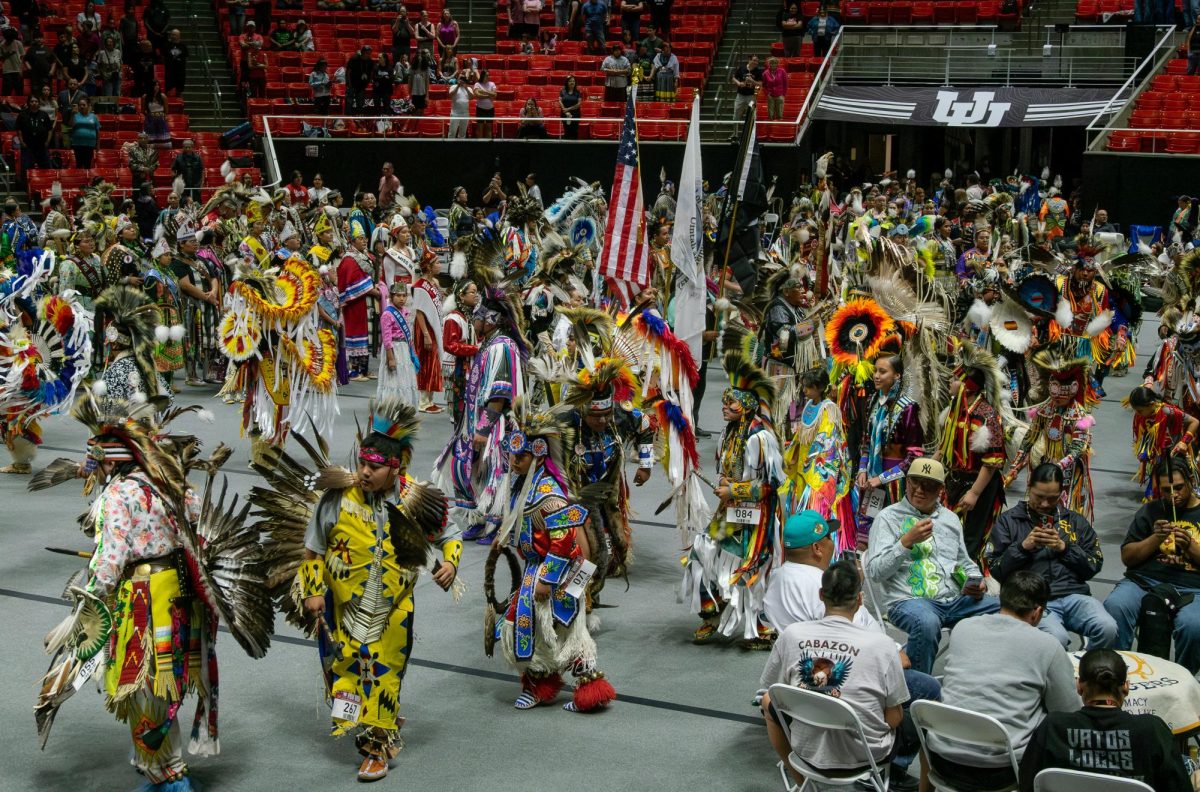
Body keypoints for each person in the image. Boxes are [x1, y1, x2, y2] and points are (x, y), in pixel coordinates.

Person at [299, 399, 461, 782]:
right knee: (347, 673)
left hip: (395, 609)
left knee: (385, 673)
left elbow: (449, 534)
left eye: (374, 467)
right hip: (344, 609)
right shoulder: (338, 498)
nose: (364, 473)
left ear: (395, 467)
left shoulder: (415, 498)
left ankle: (376, 746)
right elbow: (313, 548)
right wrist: (312, 590)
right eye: (362, 464)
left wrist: (451, 563)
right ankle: (374, 720)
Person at [492, 416, 617, 713]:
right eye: (512, 455)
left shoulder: (548, 493)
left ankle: (590, 691)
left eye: (521, 457)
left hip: (562, 569)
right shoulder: (523, 485)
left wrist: (547, 579)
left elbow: (562, 539)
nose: (514, 462)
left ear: (537, 455)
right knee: (533, 623)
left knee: (566, 627)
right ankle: (541, 684)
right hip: (540, 567)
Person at [760, 560, 915, 787]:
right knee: (917, 712)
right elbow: (894, 719)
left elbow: (772, 690)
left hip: (806, 751)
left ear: (821, 595)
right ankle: (895, 779)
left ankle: (801, 781)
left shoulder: (792, 635)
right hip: (866, 757)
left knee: (767, 701)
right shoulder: (883, 645)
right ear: (860, 599)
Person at [923, 572, 1082, 791]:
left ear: (1001, 600)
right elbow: (1068, 713)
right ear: (1037, 613)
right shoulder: (1048, 645)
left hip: (942, 760)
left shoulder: (963, 628)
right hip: (1000, 771)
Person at [683, 346, 783, 648]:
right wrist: (725, 483)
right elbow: (728, 469)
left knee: (751, 567)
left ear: (746, 405)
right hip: (731, 513)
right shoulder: (728, 433)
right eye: (725, 402)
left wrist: (734, 489)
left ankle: (762, 627)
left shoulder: (761, 438)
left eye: (731, 403)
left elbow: (772, 484)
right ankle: (711, 615)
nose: (724, 407)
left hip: (758, 519)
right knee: (702, 552)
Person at [863, 458, 999, 675]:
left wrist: (975, 581)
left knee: (1006, 609)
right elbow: (875, 572)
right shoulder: (887, 518)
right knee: (926, 622)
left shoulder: (950, 519)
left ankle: (985, 679)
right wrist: (905, 543)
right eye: (915, 482)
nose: (919, 490)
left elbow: (963, 562)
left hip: (953, 599)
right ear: (906, 482)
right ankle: (916, 693)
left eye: (929, 486)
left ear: (940, 490)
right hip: (908, 601)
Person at [1018, 648, 1193, 792]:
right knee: (1190, 765)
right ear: (1126, 687)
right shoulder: (1152, 729)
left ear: (1079, 686)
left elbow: (1027, 783)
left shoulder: (1053, 727)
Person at [433, 285, 527, 545]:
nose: (473, 321)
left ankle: (496, 525)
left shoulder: (501, 347)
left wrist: (484, 429)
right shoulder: (489, 344)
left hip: (495, 425)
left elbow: (500, 392)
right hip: (475, 419)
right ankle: (477, 519)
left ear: (491, 319)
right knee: (465, 467)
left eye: (477, 316)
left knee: (493, 472)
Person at [987, 463, 1116, 649]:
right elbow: (996, 570)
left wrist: (1065, 548)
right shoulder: (1008, 522)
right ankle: (1056, 675)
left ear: (1061, 493)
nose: (1045, 504)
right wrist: (1023, 548)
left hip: (1074, 596)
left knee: (1108, 627)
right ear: (1029, 487)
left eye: (1052, 499)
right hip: (1032, 601)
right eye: (1039, 497)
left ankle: (1086, 671)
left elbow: (1093, 566)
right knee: (1056, 638)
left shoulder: (1075, 522)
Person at [1104, 458, 1200, 674]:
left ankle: (1183, 679)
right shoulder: (1151, 511)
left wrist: (1191, 547)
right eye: (1166, 490)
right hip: (1143, 582)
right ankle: (1117, 677)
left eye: (1179, 488)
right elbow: (1127, 558)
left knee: (1194, 627)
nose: (1173, 495)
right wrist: (1155, 538)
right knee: (1116, 606)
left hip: (1193, 588)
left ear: (1191, 481)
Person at [1128, 385, 1199, 498]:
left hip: (1175, 456)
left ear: (1151, 404)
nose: (1137, 413)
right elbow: (1146, 437)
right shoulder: (1143, 415)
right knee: (1156, 492)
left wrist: (1184, 442)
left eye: (1140, 410)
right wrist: (1143, 458)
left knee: (1175, 489)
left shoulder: (1167, 411)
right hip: (1159, 459)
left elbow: (1194, 421)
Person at [441, 278, 479, 425]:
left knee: (466, 404)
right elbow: (450, 345)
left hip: (465, 364)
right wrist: (475, 349)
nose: (476, 295)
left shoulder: (467, 317)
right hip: (456, 367)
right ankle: (458, 439)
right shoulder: (453, 318)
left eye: (477, 292)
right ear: (461, 296)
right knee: (458, 406)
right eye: (472, 292)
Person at [377, 282, 419, 406]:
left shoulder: (405, 312)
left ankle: (404, 405)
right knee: (394, 379)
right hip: (394, 349)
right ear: (391, 296)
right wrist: (390, 359)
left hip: (404, 349)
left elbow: (408, 334)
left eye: (404, 296)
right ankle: (392, 405)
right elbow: (386, 339)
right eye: (398, 296)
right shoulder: (387, 314)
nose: (402, 299)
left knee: (404, 377)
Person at [16, 95, 52, 171]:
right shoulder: (23, 114)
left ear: (39, 103)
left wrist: (47, 141)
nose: (34, 103)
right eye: (32, 101)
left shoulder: (44, 115)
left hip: (41, 146)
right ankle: (25, 183)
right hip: (28, 146)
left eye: (36, 101)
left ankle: (44, 182)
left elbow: (49, 129)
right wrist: (22, 142)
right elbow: (19, 130)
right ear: (28, 103)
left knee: (46, 168)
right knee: (26, 168)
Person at [67, 96, 100, 169]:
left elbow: (97, 131)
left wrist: (98, 145)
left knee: (87, 164)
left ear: (88, 106)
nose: (81, 107)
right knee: (79, 164)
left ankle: (86, 179)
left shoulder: (93, 116)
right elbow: (70, 125)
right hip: (78, 144)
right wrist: (72, 114)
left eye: (84, 105)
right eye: (80, 105)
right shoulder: (75, 116)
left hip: (90, 145)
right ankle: (79, 179)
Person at [731, 54, 762, 120]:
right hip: (740, 96)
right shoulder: (741, 68)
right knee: (737, 113)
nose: (756, 62)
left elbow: (760, 84)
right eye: (754, 60)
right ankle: (735, 129)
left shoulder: (758, 71)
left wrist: (752, 81)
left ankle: (750, 130)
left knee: (752, 114)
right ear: (749, 60)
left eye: (757, 61)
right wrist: (739, 83)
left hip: (752, 97)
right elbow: (733, 78)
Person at [448, 66, 472, 138]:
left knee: (462, 134)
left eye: (463, 78)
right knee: (452, 133)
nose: (461, 80)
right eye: (460, 78)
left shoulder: (468, 88)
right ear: (457, 79)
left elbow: (471, 97)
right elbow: (450, 95)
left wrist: (466, 87)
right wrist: (458, 86)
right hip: (455, 113)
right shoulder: (453, 87)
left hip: (465, 114)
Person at [473, 68, 497, 139]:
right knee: (480, 128)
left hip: (490, 109)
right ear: (482, 76)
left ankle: (488, 146)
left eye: (488, 75)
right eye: (487, 75)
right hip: (480, 109)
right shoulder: (477, 84)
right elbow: (477, 95)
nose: (488, 77)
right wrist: (489, 95)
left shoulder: (492, 84)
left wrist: (484, 91)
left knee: (489, 128)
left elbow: (495, 95)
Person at [761, 56, 788, 121]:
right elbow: (763, 85)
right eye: (771, 63)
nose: (773, 64)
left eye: (775, 63)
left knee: (779, 115)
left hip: (780, 95)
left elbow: (785, 84)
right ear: (769, 64)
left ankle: (779, 127)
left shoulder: (782, 71)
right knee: (771, 114)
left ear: (777, 64)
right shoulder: (765, 73)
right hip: (770, 96)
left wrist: (783, 94)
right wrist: (767, 94)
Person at [163, 28, 187, 95]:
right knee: (168, 86)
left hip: (180, 70)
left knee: (179, 87)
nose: (173, 36)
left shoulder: (183, 46)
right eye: (172, 34)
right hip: (170, 69)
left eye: (175, 35)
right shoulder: (166, 45)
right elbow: (163, 56)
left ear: (179, 36)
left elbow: (185, 57)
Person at [559, 74, 583, 139]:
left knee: (574, 131)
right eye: (570, 81)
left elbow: (578, 104)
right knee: (566, 131)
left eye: (573, 81)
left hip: (575, 114)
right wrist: (565, 111)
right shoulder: (562, 91)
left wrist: (568, 109)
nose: (572, 82)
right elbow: (560, 101)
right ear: (567, 82)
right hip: (565, 114)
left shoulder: (578, 92)